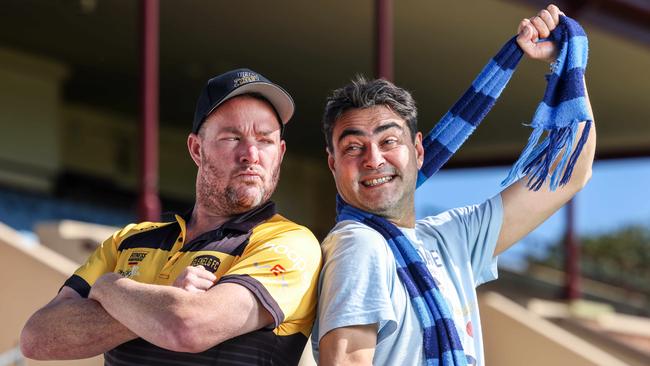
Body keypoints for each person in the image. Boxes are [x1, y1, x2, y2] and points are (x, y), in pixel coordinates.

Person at [313, 4, 595, 365]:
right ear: (333, 164)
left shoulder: (450, 239)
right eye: (353, 147)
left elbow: (570, 172)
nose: (373, 159)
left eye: (388, 142)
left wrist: (564, 64)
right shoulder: (359, 245)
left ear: (417, 150)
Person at [20, 68, 322, 365]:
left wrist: (111, 288)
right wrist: (164, 299)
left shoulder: (291, 243)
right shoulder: (129, 240)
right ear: (196, 149)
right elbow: (38, 338)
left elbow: (189, 328)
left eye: (265, 140)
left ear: (280, 153)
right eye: (232, 138)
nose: (251, 155)